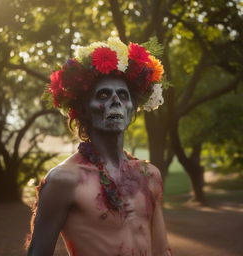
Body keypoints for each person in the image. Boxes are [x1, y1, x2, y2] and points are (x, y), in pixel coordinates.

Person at [25, 37, 172, 256]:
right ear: (83, 110)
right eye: (103, 94)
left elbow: (162, 251)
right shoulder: (64, 180)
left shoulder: (149, 175)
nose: (115, 101)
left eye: (123, 95)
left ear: (132, 107)